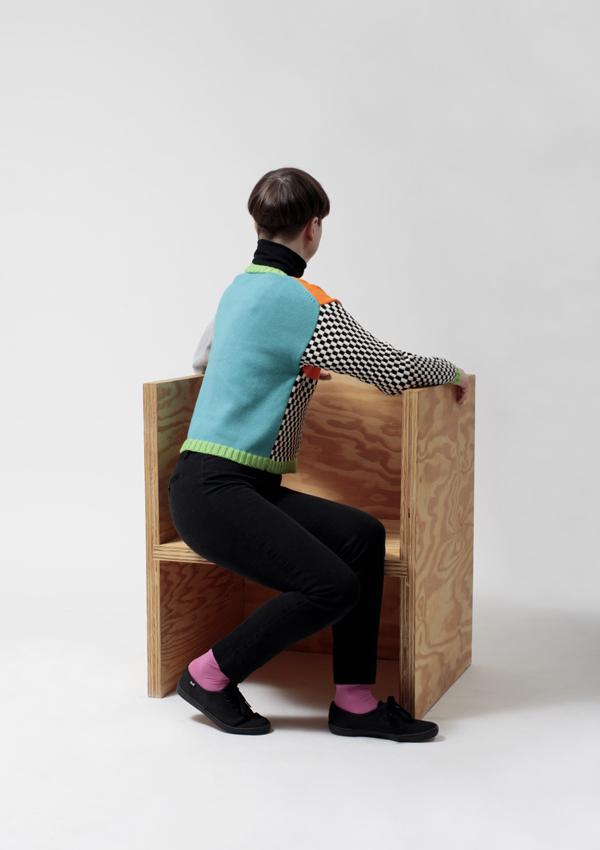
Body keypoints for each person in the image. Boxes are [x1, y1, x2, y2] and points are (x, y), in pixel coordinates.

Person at [168, 166, 469, 742]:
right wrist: (449, 371)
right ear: (313, 229)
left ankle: (354, 703)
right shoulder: (305, 302)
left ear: (257, 226)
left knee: (362, 536)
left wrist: (287, 366)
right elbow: (389, 370)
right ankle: (208, 675)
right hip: (219, 492)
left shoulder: (237, 290)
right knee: (332, 585)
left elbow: (203, 359)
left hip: (221, 488)